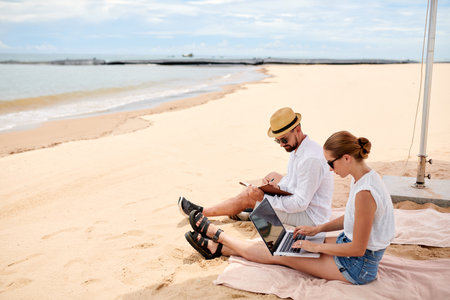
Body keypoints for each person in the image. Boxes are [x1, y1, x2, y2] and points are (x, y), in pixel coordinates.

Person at [185, 131, 395, 285]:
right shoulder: (363, 178)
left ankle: (220, 237)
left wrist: (317, 247)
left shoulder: (364, 193)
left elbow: (357, 248)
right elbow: (353, 218)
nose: (330, 170)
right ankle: (217, 248)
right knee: (284, 243)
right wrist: (317, 230)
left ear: (346, 158)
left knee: (280, 253)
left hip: (358, 267)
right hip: (350, 249)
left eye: (331, 164)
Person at [178, 107, 334, 227]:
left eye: (284, 139)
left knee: (251, 198)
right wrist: (275, 187)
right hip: (304, 208)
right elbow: (293, 184)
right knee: (253, 192)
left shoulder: (310, 158)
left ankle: (202, 212)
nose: (281, 145)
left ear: (297, 129)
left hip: (311, 218)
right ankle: (243, 210)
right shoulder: (298, 149)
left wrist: (264, 198)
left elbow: (300, 203)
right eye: (277, 141)